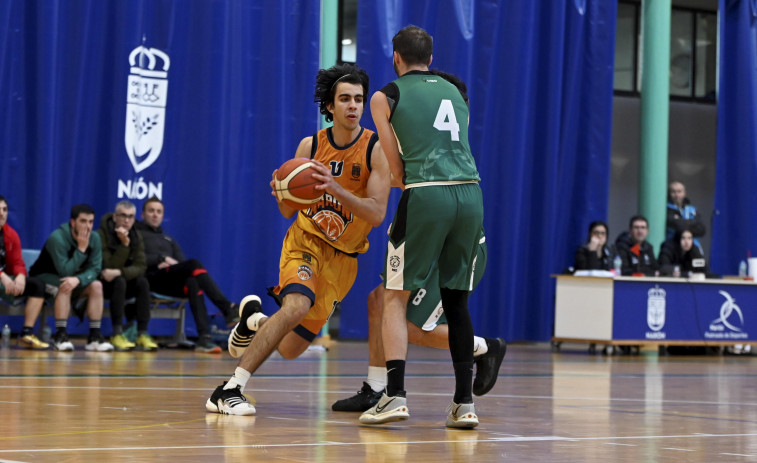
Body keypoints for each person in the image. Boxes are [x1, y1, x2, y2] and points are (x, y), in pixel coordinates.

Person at [205, 62, 390, 416]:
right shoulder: (311, 144)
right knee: (296, 306)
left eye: (359, 99)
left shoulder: (375, 149)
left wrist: (334, 188)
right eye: (345, 99)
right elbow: (287, 213)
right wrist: (283, 192)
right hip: (304, 242)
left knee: (290, 348)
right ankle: (228, 389)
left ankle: (253, 321)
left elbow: (377, 214)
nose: (353, 106)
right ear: (330, 106)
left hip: (343, 261)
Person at [360, 25, 485, 429]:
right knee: (456, 300)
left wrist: (399, 181)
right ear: (430, 58)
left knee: (394, 295)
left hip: (426, 193)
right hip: (470, 194)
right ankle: (464, 404)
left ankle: (394, 395)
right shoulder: (455, 90)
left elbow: (396, 168)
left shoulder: (385, 95)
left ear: (396, 57)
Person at [331, 228, 507, 412]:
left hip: (454, 249)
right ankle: (375, 389)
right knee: (378, 301)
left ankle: (486, 348)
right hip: (424, 241)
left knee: (409, 326)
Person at [135, 197, 238, 353]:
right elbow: (136, 259)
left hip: (169, 281)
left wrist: (172, 264)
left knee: (192, 281)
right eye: (151, 211)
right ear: (143, 214)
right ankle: (227, 309)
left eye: (159, 212)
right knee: (194, 264)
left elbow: (182, 264)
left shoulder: (168, 239)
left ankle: (204, 339)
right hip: (150, 279)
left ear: (162, 215)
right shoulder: (137, 235)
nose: (155, 215)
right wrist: (160, 259)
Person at [29, 204, 114, 352]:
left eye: (91, 222)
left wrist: (79, 279)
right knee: (66, 283)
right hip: (46, 277)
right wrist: (81, 249)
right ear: (73, 222)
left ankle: (94, 337)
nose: (87, 226)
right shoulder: (57, 238)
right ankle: (60, 336)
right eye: (83, 221)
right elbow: (64, 271)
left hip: (73, 278)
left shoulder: (95, 238)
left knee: (96, 286)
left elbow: (95, 268)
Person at [97, 200, 158, 351]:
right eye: (123, 216)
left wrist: (120, 272)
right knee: (119, 281)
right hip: (103, 283)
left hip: (120, 278)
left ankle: (142, 333)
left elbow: (141, 266)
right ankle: (117, 333)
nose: (126, 220)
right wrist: (124, 246)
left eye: (130, 217)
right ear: (114, 217)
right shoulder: (101, 235)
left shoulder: (136, 236)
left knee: (142, 282)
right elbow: (107, 266)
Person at [0, 195, 49, 349]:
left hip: (7, 282)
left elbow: (17, 262)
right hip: (3, 280)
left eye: (4, 210)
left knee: (37, 285)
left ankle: (26, 333)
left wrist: (20, 276)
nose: (2, 213)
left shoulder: (11, 234)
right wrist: (3, 276)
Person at [666, 181, 706, 246]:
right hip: (674, 247)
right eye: (673, 192)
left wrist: (681, 222)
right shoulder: (666, 209)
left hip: (694, 247)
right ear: (669, 193)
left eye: (679, 191)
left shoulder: (692, 209)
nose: (677, 195)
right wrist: (693, 222)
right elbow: (676, 225)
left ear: (684, 193)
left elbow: (702, 229)